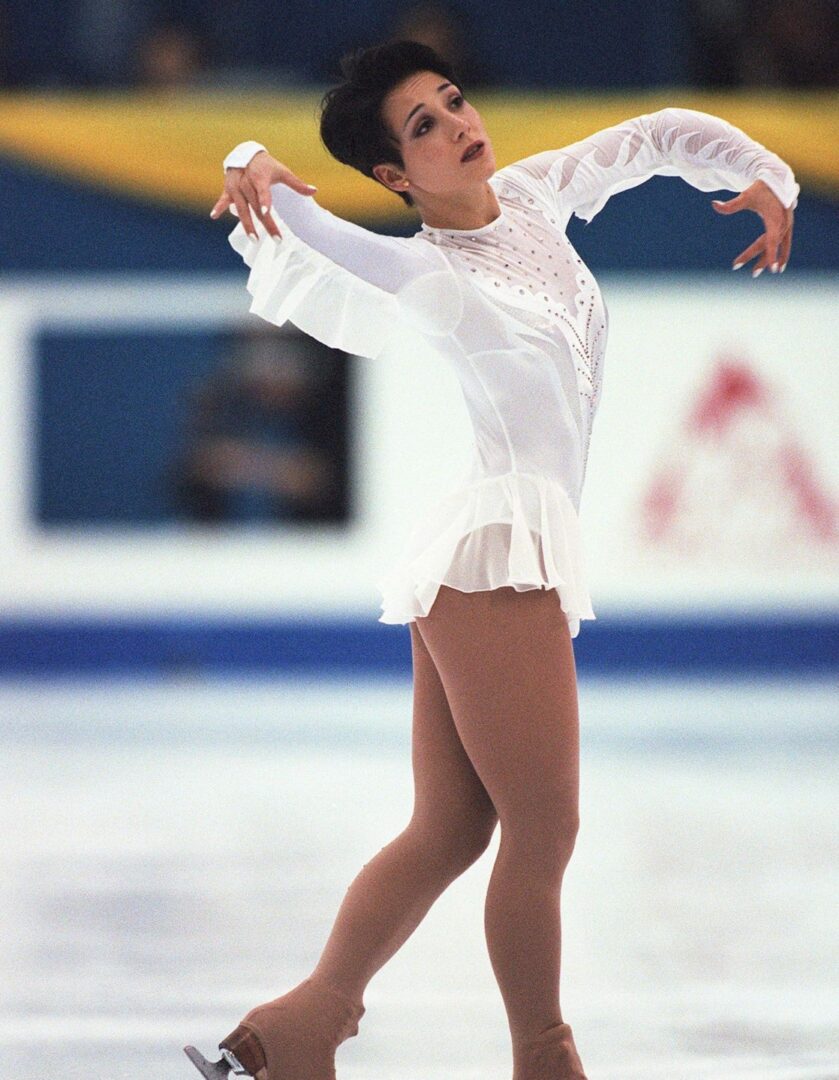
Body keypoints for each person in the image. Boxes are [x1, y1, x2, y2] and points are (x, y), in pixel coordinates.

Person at [193, 40, 797, 1080]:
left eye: (452, 102)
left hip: (491, 556)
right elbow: (302, 220)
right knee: (544, 827)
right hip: (494, 560)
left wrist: (764, 174)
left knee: (449, 830)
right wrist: (247, 150)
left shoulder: (531, 200)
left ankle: (296, 1031)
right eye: (421, 127)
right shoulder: (424, 270)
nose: (456, 126)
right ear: (395, 175)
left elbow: (652, 135)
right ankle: (543, 1057)